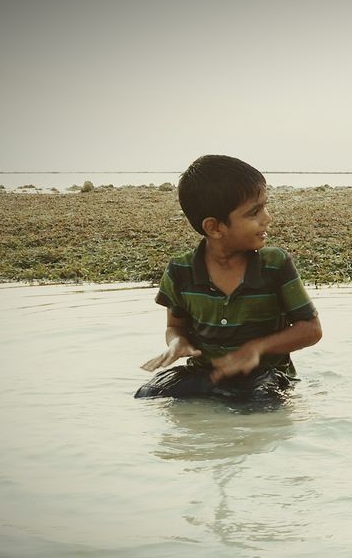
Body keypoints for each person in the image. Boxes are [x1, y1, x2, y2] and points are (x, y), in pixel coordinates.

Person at [136, 154, 322, 402]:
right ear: (214, 228)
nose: (267, 218)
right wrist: (178, 343)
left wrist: (257, 349)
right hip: (207, 374)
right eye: (254, 212)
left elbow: (311, 329)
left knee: (260, 400)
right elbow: (175, 327)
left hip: (265, 377)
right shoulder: (180, 270)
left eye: (264, 207)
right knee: (148, 394)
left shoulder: (276, 265)